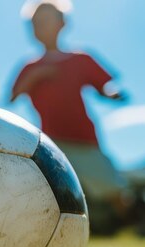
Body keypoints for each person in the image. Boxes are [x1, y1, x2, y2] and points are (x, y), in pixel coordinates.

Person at [11, 0, 130, 222]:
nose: (42, 26)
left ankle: (133, 219)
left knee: (110, 186)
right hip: (51, 142)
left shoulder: (80, 58)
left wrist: (113, 93)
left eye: (47, 20)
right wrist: (35, 77)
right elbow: (14, 95)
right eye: (36, 23)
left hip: (83, 137)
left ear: (62, 23)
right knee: (52, 190)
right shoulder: (30, 67)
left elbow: (104, 85)